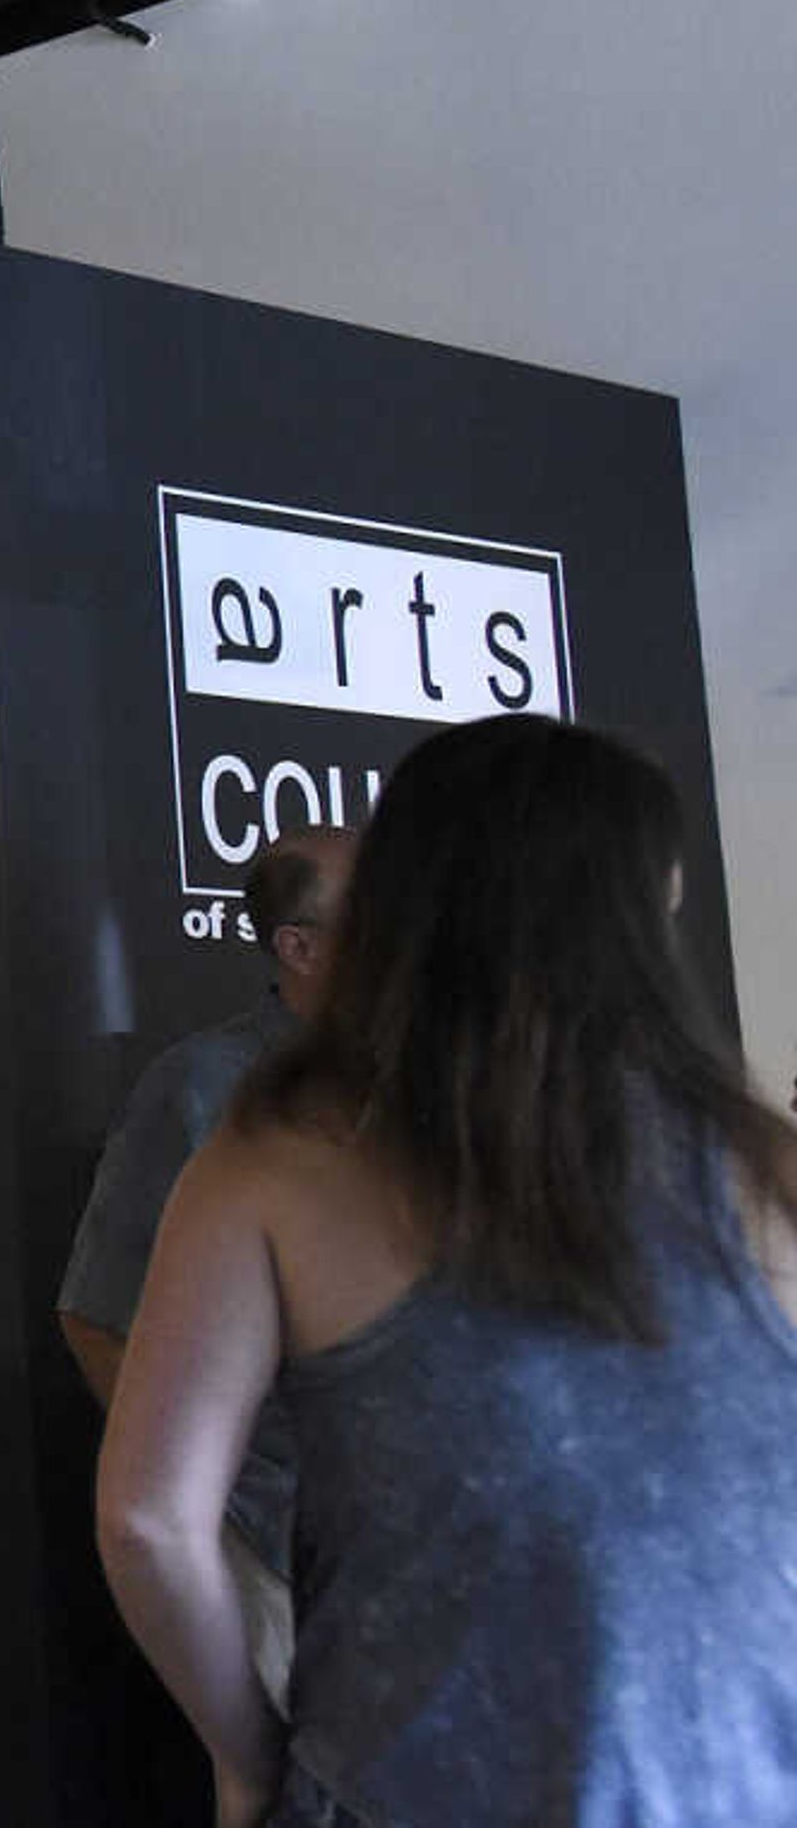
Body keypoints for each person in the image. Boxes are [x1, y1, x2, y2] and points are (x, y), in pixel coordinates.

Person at [99, 717, 797, 1828]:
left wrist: (247, 1759)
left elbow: (147, 1517)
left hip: (397, 1779)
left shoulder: (279, 1159)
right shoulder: (760, 1167)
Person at [58, 828, 350, 1705]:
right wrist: (214, 1514)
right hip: (276, 1546)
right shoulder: (203, 1089)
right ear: (296, 945)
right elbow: (97, 1316)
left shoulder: (440, 1080)